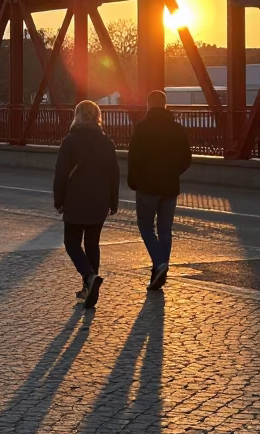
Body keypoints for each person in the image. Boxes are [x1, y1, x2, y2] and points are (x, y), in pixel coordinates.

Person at [53, 100, 120, 310]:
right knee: (92, 244)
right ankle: (89, 289)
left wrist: (58, 200)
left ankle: (89, 277)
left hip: (75, 200)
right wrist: (113, 201)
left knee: (71, 242)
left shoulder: (70, 141)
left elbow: (61, 174)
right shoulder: (107, 142)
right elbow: (114, 175)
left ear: (78, 116)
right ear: (98, 116)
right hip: (99, 202)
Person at [127, 90, 192, 291]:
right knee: (165, 230)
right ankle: (159, 274)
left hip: (147, 187)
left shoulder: (142, 127)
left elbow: (134, 157)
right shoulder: (177, 128)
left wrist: (134, 181)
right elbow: (186, 158)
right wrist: (173, 173)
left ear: (148, 105)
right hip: (170, 187)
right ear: (165, 105)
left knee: (146, 227)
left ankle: (159, 262)